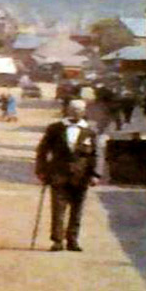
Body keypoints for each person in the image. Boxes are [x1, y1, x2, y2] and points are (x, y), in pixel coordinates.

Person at [34, 99, 102, 252]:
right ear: (68, 110)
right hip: (58, 175)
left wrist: (96, 174)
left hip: (81, 176)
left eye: (79, 110)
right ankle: (57, 241)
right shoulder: (55, 128)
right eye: (73, 109)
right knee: (58, 210)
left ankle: (73, 240)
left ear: (84, 112)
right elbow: (42, 151)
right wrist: (41, 171)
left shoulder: (90, 131)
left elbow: (96, 154)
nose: (76, 112)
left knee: (77, 210)